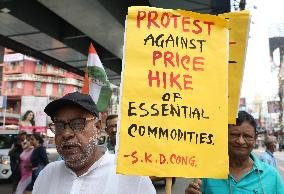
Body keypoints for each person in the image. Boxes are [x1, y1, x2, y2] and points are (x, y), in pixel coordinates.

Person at [33, 92, 155, 194]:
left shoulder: (131, 176)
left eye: (77, 124)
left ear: (97, 127)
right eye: (59, 125)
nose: (66, 134)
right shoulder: (47, 174)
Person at [185, 111, 284, 194]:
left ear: (255, 139)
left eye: (247, 136)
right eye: (234, 135)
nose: (240, 141)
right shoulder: (207, 174)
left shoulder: (272, 176)